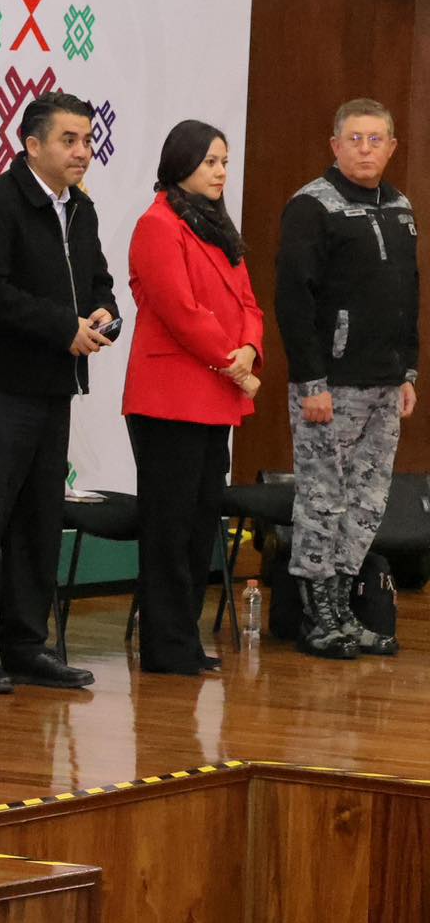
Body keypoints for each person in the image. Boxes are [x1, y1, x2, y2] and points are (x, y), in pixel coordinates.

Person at [0, 90, 117, 695]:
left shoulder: (82, 210)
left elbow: (99, 279)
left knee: (40, 519)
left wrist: (105, 315)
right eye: (68, 140)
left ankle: (25, 642)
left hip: (54, 387)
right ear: (32, 144)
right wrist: (61, 327)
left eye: (87, 140)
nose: (81, 152)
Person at [275, 97, 417, 658]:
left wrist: (408, 370)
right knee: (322, 499)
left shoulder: (401, 206)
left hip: (386, 384)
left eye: (375, 139)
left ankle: (343, 610)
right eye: (354, 139)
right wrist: (311, 381)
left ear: (391, 146)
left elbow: (410, 294)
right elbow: (292, 299)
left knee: (366, 502)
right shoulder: (312, 207)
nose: (365, 149)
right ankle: (317, 618)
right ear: (335, 145)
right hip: (330, 388)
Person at [122, 120, 264, 675]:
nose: (221, 172)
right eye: (210, 162)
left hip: (215, 396)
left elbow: (248, 301)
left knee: (201, 521)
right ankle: (164, 644)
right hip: (169, 399)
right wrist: (234, 364)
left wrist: (250, 348)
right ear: (181, 163)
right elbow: (180, 311)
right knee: (169, 525)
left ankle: (183, 637)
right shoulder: (158, 224)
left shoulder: (216, 226)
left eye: (225, 161)